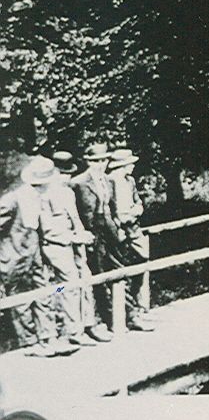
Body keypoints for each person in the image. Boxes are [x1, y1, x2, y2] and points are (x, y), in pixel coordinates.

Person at [0, 157, 77, 357]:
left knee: (44, 295)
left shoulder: (39, 197)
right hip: (14, 259)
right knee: (21, 302)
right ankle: (30, 343)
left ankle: (49, 338)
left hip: (35, 257)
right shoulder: (12, 200)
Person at [40, 152, 103, 347]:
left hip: (75, 246)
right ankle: (73, 330)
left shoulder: (67, 193)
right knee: (67, 286)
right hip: (57, 248)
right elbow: (48, 231)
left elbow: (75, 220)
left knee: (85, 280)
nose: (67, 177)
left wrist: (83, 235)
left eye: (69, 173)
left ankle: (88, 323)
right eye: (62, 173)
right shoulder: (45, 196)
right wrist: (74, 237)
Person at [70, 142, 116, 340]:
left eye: (104, 160)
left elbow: (111, 208)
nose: (101, 164)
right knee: (92, 276)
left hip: (109, 234)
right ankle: (95, 321)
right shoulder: (78, 182)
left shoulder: (108, 181)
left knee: (114, 273)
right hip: (90, 236)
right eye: (96, 161)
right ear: (88, 161)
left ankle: (115, 317)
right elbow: (75, 212)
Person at [105, 148, 154, 331]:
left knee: (142, 261)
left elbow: (138, 203)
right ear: (121, 165)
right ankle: (128, 314)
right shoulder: (109, 181)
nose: (133, 166)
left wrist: (135, 211)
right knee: (120, 269)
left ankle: (136, 306)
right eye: (130, 163)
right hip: (118, 230)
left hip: (133, 227)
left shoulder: (130, 181)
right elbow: (108, 208)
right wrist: (119, 220)